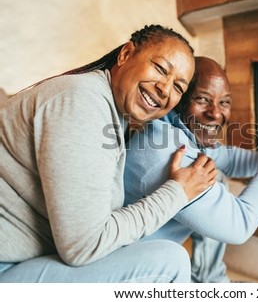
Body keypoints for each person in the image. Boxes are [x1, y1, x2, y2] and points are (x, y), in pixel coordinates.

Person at [0, 25, 218, 282]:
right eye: (160, 69)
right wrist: (177, 193)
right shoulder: (82, 103)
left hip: (26, 258)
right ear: (126, 54)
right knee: (169, 263)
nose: (165, 89)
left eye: (179, 87)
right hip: (7, 265)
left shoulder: (109, 112)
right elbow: (83, 246)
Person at [124, 56, 258, 282]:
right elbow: (240, 224)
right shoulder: (168, 153)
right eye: (203, 99)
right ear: (180, 97)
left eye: (224, 102)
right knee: (212, 178)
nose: (216, 113)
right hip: (135, 275)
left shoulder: (174, 128)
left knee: (214, 172)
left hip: (151, 261)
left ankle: (209, 281)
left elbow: (227, 157)